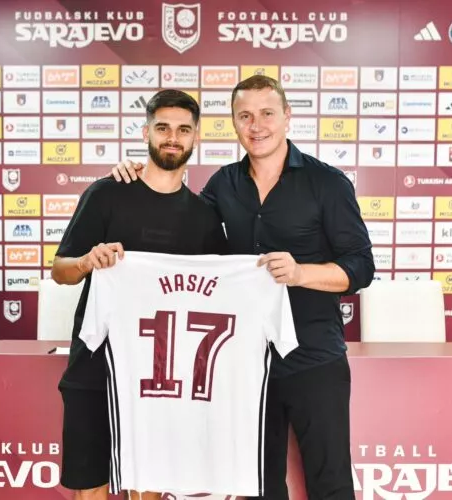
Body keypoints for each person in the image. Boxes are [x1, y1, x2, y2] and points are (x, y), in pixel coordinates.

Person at [111, 75, 375, 500]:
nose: (257, 125)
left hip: (314, 356)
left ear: (287, 116)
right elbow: (180, 229)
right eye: (245, 116)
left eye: (267, 113)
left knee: (331, 483)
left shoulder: (327, 183)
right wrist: (140, 181)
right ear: (233, 123)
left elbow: (361, 267)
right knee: (259, 486)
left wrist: (301, 273)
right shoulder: (223, 184)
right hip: (246, 363)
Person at [52, 89, 227, 500]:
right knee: (90, 485)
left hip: (163, 375)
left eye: (183, 129)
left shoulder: (204, 217)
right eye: (163, 127)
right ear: (146, 132)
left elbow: (219, 296)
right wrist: (86, 261)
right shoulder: (106, 193)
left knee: (148, 487)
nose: (173, 137)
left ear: (196, 137)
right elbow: (60, 271)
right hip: (96, 365)